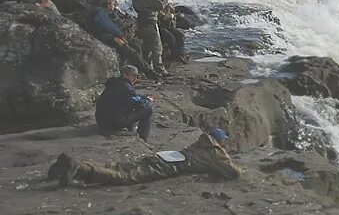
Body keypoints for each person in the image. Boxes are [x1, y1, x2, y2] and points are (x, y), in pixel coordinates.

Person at [49, 129, 239, 188]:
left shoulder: (200, 141)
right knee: (125, 176)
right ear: (220, 142)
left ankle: (72, 162)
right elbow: (232, 172)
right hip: (170, 166)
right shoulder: (215, 152)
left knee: (119, 165)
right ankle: (81, 169)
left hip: (164, 156)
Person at [90, 0, 158, 79]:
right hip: (107, 37)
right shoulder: (102, 14)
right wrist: (121, 35)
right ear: (108, 5)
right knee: (130, 51)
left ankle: (139, 72)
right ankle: (149, 72)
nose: (114, 6)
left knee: (136, 47)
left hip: (110, 36)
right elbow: (109, 27)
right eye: (113, 4)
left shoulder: (105, 13)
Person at [95, 64, 154, 140]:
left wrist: (143, 97)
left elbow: (129, 99)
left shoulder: (115, 83)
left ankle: (131, 129)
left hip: (102, 121)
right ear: (125, 75)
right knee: (148, 108)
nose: (135, 79)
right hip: (112, 123)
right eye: (134, 76)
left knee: (129, 106)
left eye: (137, 76)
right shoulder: (125, 87)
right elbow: (139, 104)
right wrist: (148, 100)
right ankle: (143, 137)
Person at [131, 0, 168, 76]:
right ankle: (159, 69)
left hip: (141, 22)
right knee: (157, 47)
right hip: (150, 23)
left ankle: (147, 68)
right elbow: (160, 5)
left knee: (147, 47)